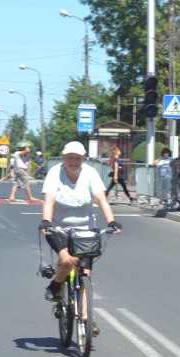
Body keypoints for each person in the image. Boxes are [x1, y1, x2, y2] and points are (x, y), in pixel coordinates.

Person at [39, 141, 121, 336]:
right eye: (70, 158)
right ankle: (56, 284)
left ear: (83, 159)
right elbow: (49, 200)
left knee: (85, 272)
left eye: (77, 158)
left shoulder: (90, 173)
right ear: (64, 158)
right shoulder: (55, 173)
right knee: (67, 260)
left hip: (85, 230)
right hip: (58, 228)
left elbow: (101, 199)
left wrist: (112, 222)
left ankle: (86, 318)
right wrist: (45, 221)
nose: (73, 162)